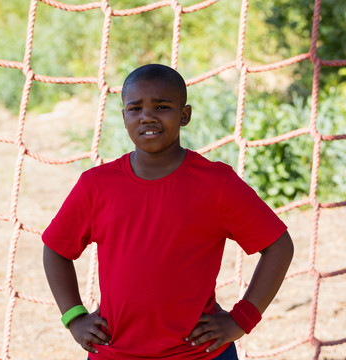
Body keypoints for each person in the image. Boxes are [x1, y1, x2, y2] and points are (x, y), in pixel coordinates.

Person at [42, 63, 294, 360]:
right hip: (115, 353)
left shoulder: (216, 183)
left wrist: (241, 320)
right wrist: (74, 317)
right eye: (135, 108)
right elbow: (56, 249)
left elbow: (279, 246)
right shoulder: (96, 185)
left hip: (201, 354)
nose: (147, 116)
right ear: (124, 117)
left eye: (161, 106)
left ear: (184, 115)